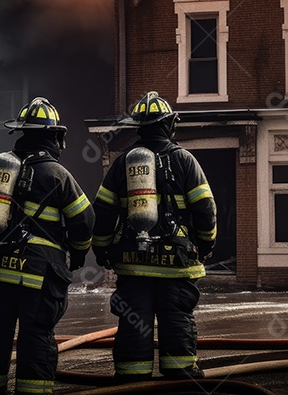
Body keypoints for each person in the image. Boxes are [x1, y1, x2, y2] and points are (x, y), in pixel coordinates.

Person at [0, 97, 94, 395]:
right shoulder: (58, 175)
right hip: (39, 273)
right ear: (54, 136)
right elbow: (84, 221)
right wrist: (77, 253)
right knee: (36, 335)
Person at [92, 91, 217, 381]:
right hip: (176, 261)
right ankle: (180, 374)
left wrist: (101, 250)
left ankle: (131, 379)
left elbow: (103, 213)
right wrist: (205, 242)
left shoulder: (123, 164)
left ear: (140, 127)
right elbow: (205, 208)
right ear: (169, 125)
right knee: (176, 317)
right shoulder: (185, 161)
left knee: (134, 320)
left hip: (132, 261)